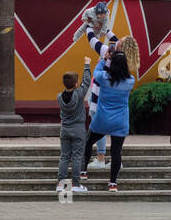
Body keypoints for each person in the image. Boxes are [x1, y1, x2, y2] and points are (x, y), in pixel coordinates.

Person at [83, 50, 137, 191]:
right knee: (116, 152)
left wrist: (104, 58)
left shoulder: (104, 78)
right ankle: (113, 183)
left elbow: (96, 72)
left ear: (112, 64)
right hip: (120, 121)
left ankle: (83, 171)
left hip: (102, 118)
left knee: (88, 142)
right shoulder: (130, 81)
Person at [80, 22, 119, 180]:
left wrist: (89, 26)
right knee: (116, 133)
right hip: (114, 100)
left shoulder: (107, 52)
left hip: (99, 96)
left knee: (97, 129)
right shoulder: (123, 57)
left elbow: (92, 40)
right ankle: (115, 161)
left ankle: (100, 158)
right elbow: (115, 39)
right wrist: (106, 30)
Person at [57, 58, 92, 193]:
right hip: (78, 129)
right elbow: (87, 81)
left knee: (64, 156)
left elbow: (81, 83)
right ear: (76, 84)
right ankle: (76, 184)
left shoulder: (59, 97)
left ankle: (60, 184)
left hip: (65, 129)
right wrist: (87, 65)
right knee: (77, 156)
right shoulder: (79, 93)